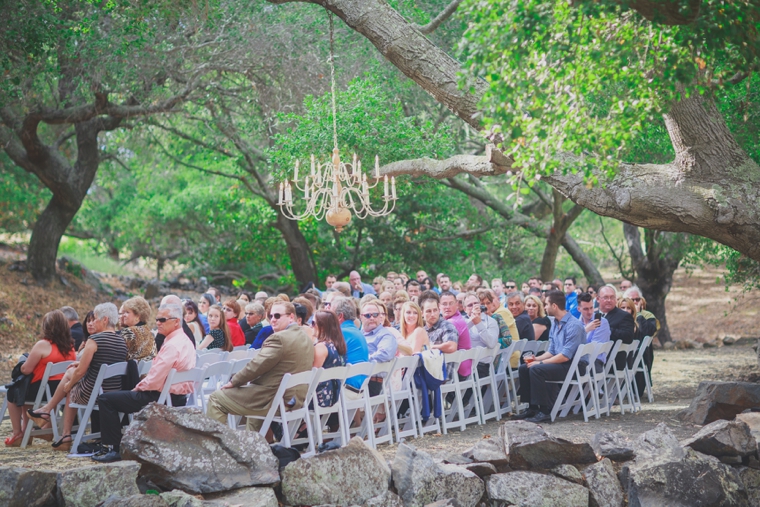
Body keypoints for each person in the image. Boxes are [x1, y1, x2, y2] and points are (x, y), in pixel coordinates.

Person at [92, 303, 196, 462]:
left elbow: (154, 381)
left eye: (162, 319)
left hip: (160, 398)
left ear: (176, 321)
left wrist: (137, 388)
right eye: (157, 319)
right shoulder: (185, 340)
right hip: (179, 399)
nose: (158, 323)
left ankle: (114, 449)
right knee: (117, 396)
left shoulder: (173, 345)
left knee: (106, 399)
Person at [28, 303, 127, 451]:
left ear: (105, 320)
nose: (92, 323)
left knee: (71, 381)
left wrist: (68, 385)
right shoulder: (121, 341)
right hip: (113, 391)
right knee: (72, 377)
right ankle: (54, 421)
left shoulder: (94, 341)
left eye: (96, 319)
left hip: (94, 394)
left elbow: (80, 372)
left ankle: (60, 427)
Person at [206, 302, 314, 431]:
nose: (273, 320)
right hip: (295, 400)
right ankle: (251, 446)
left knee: (216, 398)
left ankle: (219, 447)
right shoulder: (305, 337)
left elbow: (256, 366)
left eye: (278, 316)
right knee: (252, 404)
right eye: (270, 316)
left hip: (273, 400)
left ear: (291, 317)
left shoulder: (279, 338)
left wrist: (234, 382)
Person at [5, 310, 76, 447]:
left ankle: (18, 433)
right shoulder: (70, 346)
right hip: (63, 389)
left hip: (44, 389)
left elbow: (27, 369)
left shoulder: (43, 344)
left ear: (47, 327)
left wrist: (19, 367)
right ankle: (30, 431)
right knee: (26, 388)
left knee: (13, 392)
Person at [513, 290, 585, 423]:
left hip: (573, 366)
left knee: (536, 370)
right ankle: (532, 408)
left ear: (554, 306)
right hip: (562, 363)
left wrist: (540, 364)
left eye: (546, 304)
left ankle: (544, 411)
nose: (544, 307)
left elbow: (565, 356)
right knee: (525, 368)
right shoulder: (555, 323)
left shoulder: (573, 326)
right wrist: (537, 359)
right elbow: (552, 350)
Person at [331, 297, 369, 397]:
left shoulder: (341, 333)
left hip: (346, 389)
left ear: (340, 316)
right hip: (358, 389)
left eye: (331, 314)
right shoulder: (356, 331)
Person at [361, 301, 397, 396]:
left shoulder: (385, 335)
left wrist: (362, 360)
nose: (372, 318)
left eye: (375, 315)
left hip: (372, 383)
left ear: (380, 316)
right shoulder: (358, 335)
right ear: (361, 317)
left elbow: (385, 354)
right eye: (368, 315)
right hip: (357, 379)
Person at [312, 310, 347, 408]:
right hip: (334, 397)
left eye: (313, 323)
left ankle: (302, 423)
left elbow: (312, 376)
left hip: (318, 399)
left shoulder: (321, 347)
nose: (311, 326)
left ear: (322, 327)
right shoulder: (338, 345)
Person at [597, 286, 635, 370]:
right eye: (606, 297)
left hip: (612, 361)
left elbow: (628, 337)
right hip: (591, 355)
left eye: (612, 297)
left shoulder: (624, 316)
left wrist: (606, 330)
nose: (609, 300)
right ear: (598, 299)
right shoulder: (592, 315)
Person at [463, 293, 499, 378]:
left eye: (476, 303)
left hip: (481, 365)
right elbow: (458, 335)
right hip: (463, 363)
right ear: (465, 309)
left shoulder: (490, 321)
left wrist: (478, 324)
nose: (474, 306)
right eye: (470, 305)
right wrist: (472, 321)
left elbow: (492, 343)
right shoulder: (462, 322)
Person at [440, 291, 472, 378]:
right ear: (439, 306)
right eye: (444, 304)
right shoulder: (455, 317)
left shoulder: (452, 322)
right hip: (463, 366)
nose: (447, 307)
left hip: (458, 370)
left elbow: (443, 345)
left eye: (451, 303)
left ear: (457, 305)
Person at [578, 292, 610, 372]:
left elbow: (593, 349)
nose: (589, 312)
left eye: (591, 308)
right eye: (586, 309)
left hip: (595, 362)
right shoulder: (576, 323)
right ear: (579, 309)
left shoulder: (601, 322)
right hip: (578, 360)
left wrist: (584, 331)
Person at [119, 297, 156, 361]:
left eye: (127, 312)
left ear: (137, 316)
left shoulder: (129, 332)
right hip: (144, 370)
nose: (123, 315)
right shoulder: (149, 332)